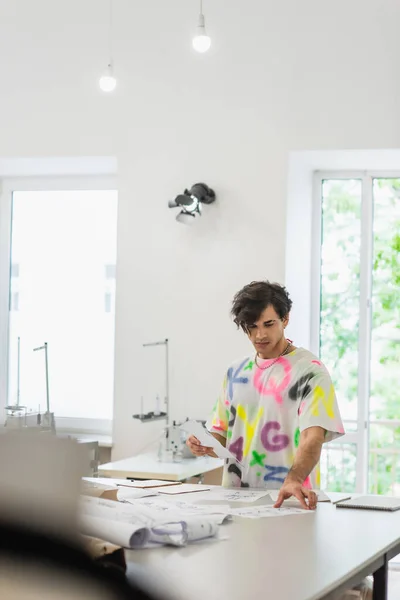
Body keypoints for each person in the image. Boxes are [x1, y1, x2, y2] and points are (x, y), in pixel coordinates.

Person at [186, 280, 345, 510]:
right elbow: (221, 436)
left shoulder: (310, 370)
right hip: (236, 502)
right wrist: (204, 444)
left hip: (287, 499)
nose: (259, 334)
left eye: (268, 324)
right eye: (252, 326)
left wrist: (294, 479)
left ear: (285, 319)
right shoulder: (235, 372)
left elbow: (313, 437)